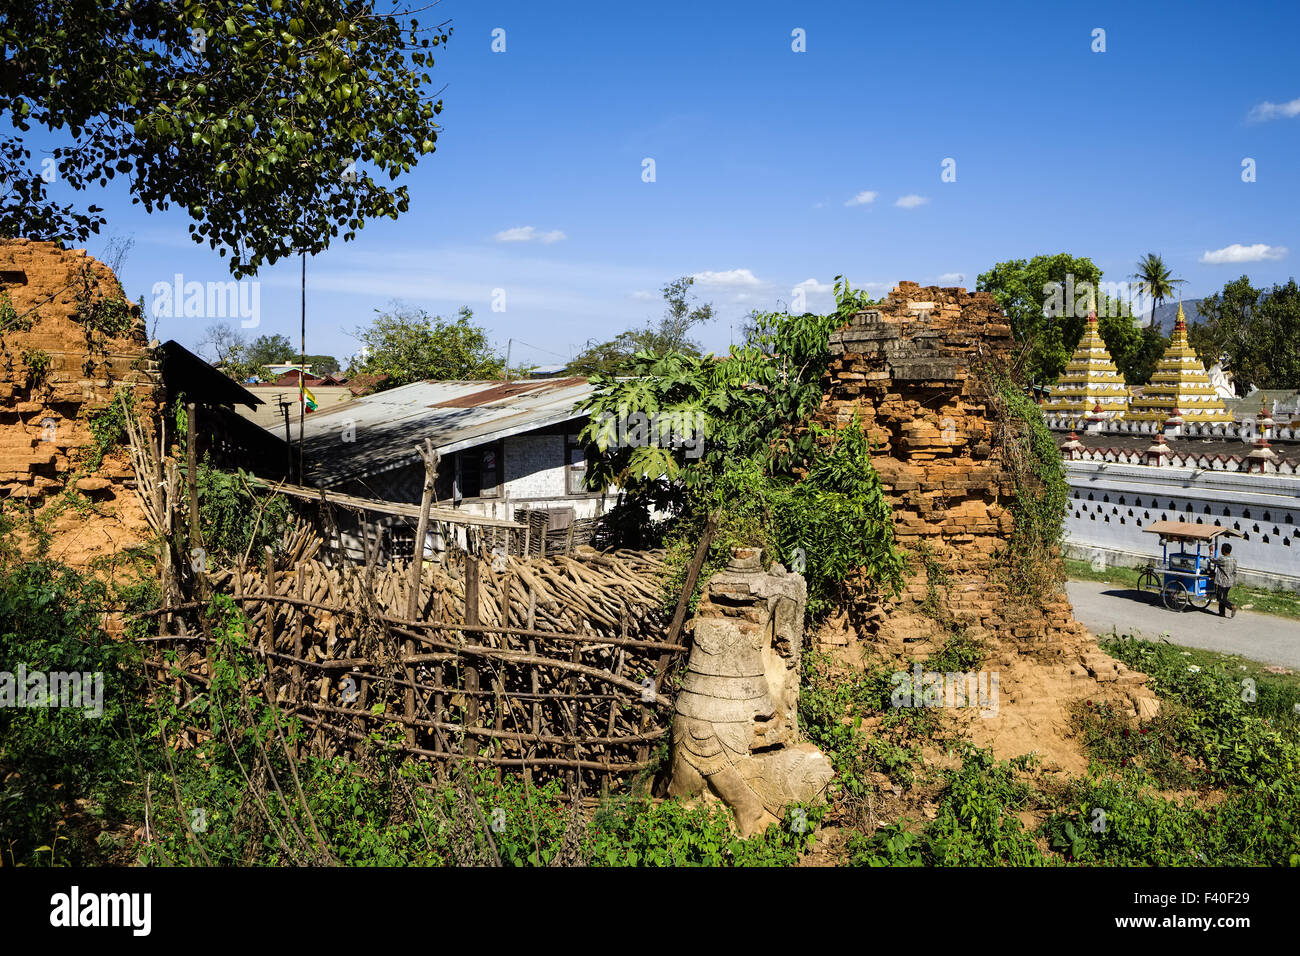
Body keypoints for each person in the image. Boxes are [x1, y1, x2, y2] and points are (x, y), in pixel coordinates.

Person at [1213, 542, 1238, 618]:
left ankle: (1232, 606)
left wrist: (1211, 551)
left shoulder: (1222, 559)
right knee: (1224, 597)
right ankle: (1222, 612)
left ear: (1223, 550)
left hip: (1223, 582)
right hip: (1230, 582)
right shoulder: (1234, 559)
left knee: (1219, 598)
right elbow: (1235, 571)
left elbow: (1212, 560)